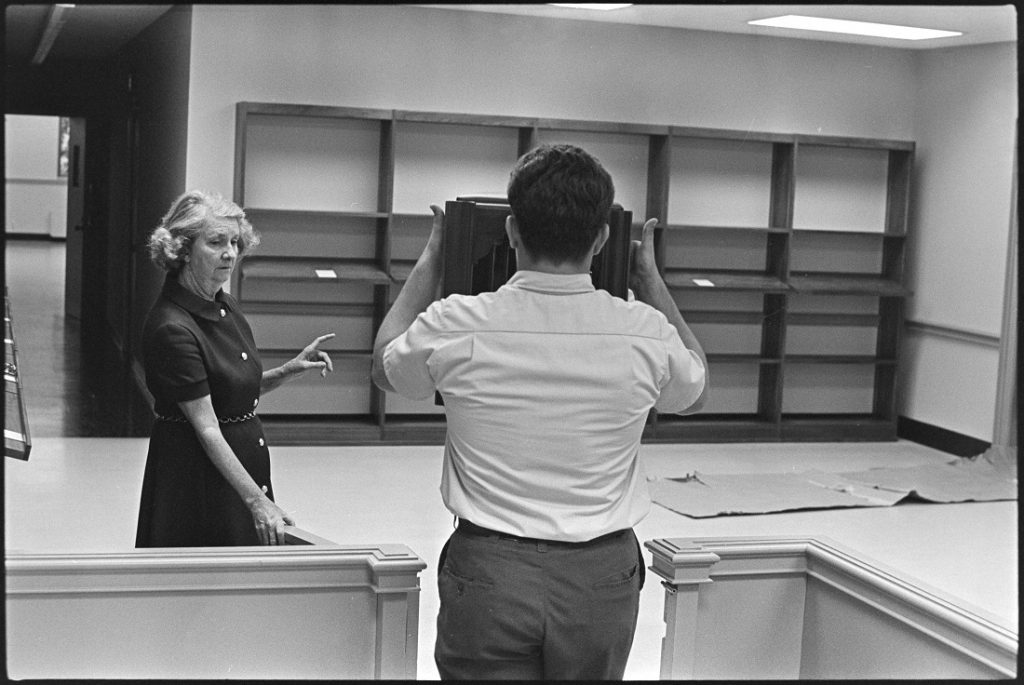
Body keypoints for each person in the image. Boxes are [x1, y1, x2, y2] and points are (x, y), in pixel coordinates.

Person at [371, 144, 708, 679]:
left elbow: (384, 368)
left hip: (489, 574)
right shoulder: (644, 331)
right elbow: (695, 388)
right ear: (600, 237)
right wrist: (650, 282)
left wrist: (433, 259)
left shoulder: (455, 322)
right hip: (601, 578)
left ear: (511, 231)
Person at [136, 190, 334, 547]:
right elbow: (208, 426)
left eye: (234, 242)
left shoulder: (224, 304)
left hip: (236, 473)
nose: (230, 253)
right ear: (181, 249)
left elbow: (232, 391)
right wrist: (258, 501)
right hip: (196, 478)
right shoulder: (172, 328)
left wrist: (288, 370)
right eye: (215, 242)